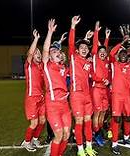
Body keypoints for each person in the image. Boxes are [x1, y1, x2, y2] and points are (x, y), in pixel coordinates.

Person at [109, 37, 130, 155]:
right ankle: (114, 143)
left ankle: (126, 138)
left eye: (125, 54)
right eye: (121, 54)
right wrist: (121, 44)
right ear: (119, 56)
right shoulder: (114, 64)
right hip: (116, 96)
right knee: (116, 119)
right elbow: (112, 53)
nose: (123, 55)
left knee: (128, 117)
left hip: (126, 96)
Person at [68, 15, 97, 156]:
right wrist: (73, 26)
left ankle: (89, 147)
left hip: (87, 95)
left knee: (88, 121)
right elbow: (71, 43)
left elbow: (92, 75)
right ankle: (80, 149)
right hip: (76, 95)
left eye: (86, 47)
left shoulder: (88, 62)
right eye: (82, 47)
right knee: (79, 121)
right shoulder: (73, 58)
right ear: (77, 50)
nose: (85, 49)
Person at [42, 19, 71, 156]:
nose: (56, 52)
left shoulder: (63, 68)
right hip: (53, 105)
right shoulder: (47, 66)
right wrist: (50, 32)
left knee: (66, 135)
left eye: (57, 51)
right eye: (53, 51)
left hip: (65, 105)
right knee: (58, 135)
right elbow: (46, 50)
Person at [21, 29, 45, 152]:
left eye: (39, 52)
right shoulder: (29, 65)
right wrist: (36, 39)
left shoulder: (41, 66)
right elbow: (30, 54)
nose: (38, 54)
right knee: (34, 123)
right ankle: (26, 142)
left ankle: (35, 138)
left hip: (41, 97)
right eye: (36, 52)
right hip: (31, 98)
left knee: (42, 120)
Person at [91, 21, 111, 146]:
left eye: (104, 51)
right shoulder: (95, 58)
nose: (102, 52)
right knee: (97, 113)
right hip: (97, 89)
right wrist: (96, 32)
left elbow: (105, 48)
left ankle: (98, 130)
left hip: (105, 90)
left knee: (104, 111)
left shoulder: (106, 61)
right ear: (97, 53)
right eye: (100, 51)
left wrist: (107, 38)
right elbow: (95, 46)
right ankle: (96, 134)